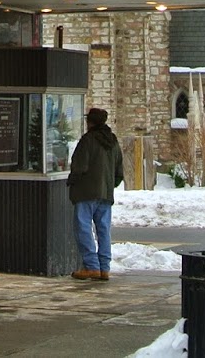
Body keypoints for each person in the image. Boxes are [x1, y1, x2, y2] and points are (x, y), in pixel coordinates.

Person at [67, 107, 124, 281]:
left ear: (90, 122)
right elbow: (119, 171)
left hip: (86, 191)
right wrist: (109, 185)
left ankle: (91, 266)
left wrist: (72, 181)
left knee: (83, 228)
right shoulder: (113, 141)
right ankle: (104, 268)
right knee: (103, 230)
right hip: (106, 193)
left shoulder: (88, 140)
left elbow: (79, 166)